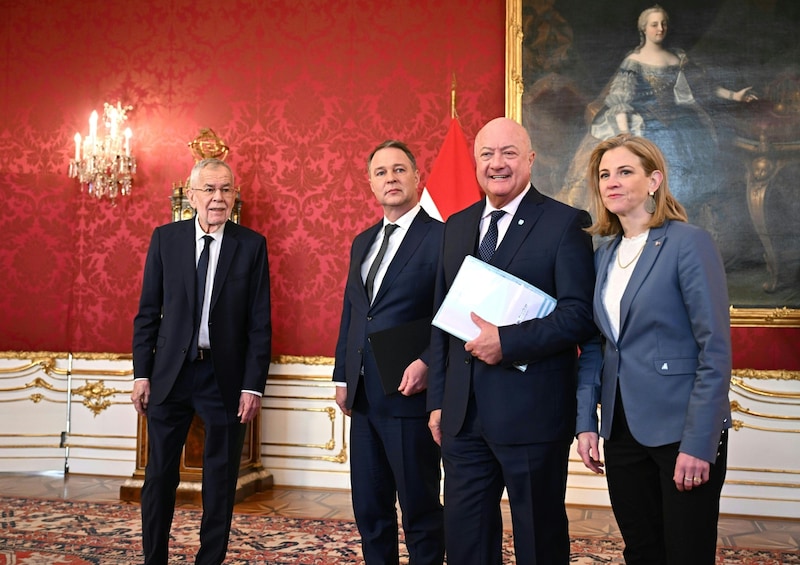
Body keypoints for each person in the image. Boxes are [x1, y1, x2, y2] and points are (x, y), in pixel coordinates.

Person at [427, 117, 596, 565]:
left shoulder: (565, 224)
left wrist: (509, 341)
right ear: (476, 161)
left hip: (533, 416)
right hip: (463, 420)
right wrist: (439, 401)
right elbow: (442, 322)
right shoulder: (456, 226)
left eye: (508, 153)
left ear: (530, 160)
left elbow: (579, 316)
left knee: (538, 543)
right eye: (487, 154)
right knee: (465, 544)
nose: (497, 164)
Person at [575, 133, 731, 565]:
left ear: (654, 181)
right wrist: (586, 421)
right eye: (605, 174)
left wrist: (701, 443)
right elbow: (595, 345)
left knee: (686, 552)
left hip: (681, 429)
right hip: (621, 431)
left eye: (625, 171)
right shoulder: (602, 254)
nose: (612, 181)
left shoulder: (688, 243)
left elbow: (714, 351)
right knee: (641, 550)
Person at [131, 158, 272, 565]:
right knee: (159, 475)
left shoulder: (251, 245)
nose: (218, 198)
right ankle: (153, 558)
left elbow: (259, 323)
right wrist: (142, 374)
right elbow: (147, 314)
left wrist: (252, 384)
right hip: (169, 375)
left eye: (226, 189)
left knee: (220, 478)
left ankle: (209, 560)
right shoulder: (165, 239)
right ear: (191, 195)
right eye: (209, 189)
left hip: (223, 376)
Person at [333, 140, 445, 565]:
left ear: (417, 178)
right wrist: (342, 376)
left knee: (419, 509)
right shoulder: (362, 242)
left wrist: (429, 364)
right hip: (363, 397)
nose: (391, 178)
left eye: (400, 170)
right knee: (370, 509)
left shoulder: (443, 237)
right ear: (371, 183)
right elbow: (352, 312)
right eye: (381, 172)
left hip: (409, 394)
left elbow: (453, 313)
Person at [560, 4, 755, 214]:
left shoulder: (677, 58)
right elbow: (620, 101)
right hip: (644, 124)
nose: (660, 29)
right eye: (654, 24)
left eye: (663, 24)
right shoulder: (634, 61)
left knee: (689, 179)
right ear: (644, 28)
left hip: (680, 123)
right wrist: (626, 135)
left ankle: (679, 218)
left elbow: (703, 86)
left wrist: (735, 95)